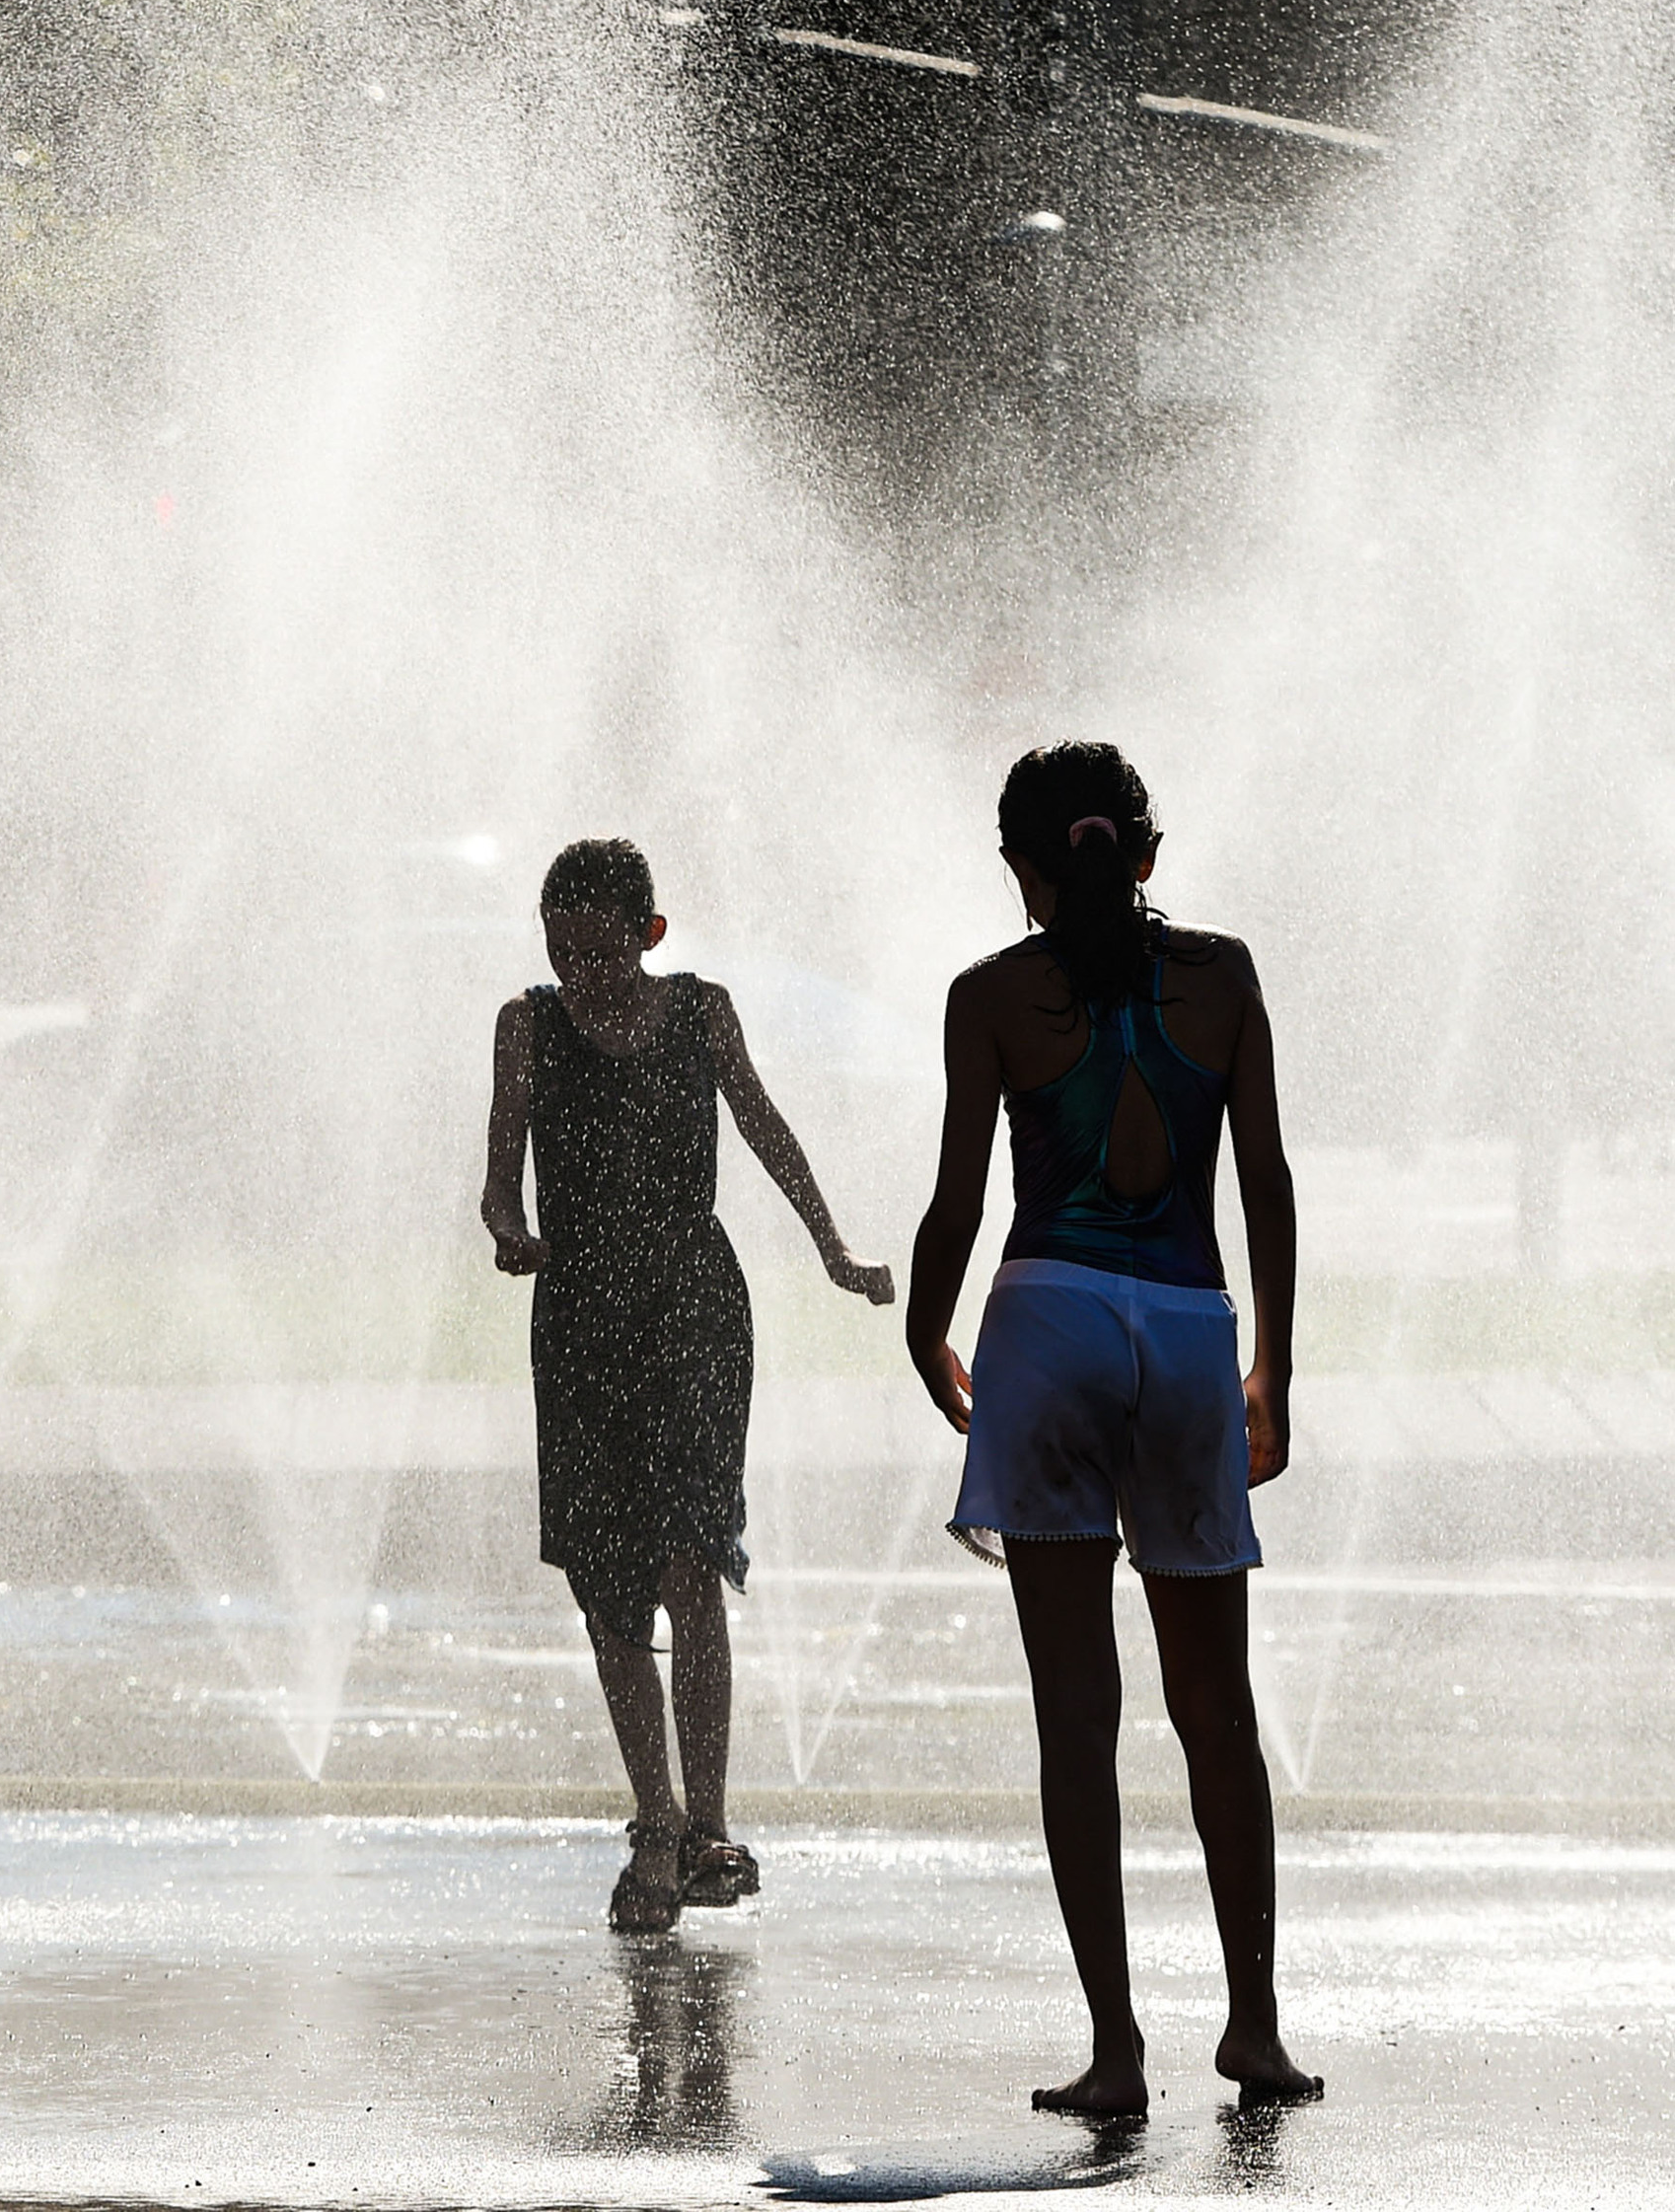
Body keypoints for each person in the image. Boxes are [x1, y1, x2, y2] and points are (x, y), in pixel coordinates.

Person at [903, 744, 1315, 2114]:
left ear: (1023, 867)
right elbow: (1263, 1177)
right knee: (1219, 1707)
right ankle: (1253, 2026)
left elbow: (962, 1196)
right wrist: (1276, 1360)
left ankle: (1118, 2047)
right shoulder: (1225, 974)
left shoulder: (991, 995)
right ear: (1146, 854)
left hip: (1049, 1319)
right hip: (1188, 1325)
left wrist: (925, 1326)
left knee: (1077, 1713)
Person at [480, 838, 893, 1932]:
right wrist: (512, 1229)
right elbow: (496, 1181)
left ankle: (704, 1824)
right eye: (560, 948)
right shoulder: (524, 1025)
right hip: (578, 1325)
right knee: (604, 1581)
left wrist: (834, 1249)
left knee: (687, 1557)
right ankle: (650, 1817)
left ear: (649, 934)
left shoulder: (703, 1013)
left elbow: (767, 1131)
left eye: (599, 947)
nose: (578, 970)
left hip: (691, 1313)